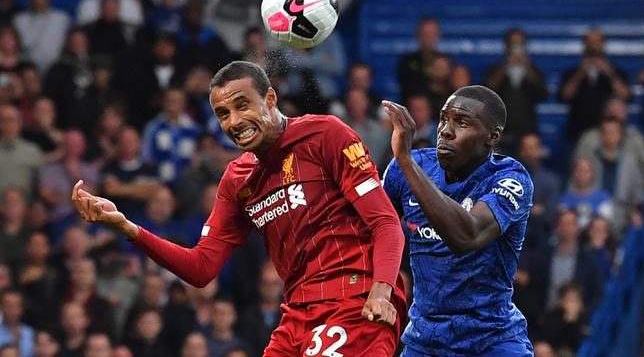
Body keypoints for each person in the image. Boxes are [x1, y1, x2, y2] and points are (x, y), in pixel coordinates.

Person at [72, 60, 407, 356]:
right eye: (222, 114)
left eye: (242, 105)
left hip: (356, 301)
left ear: (270, 98)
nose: (234, 121)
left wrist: (381, 291)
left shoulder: (325, 135)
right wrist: (128, 228)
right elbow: (200, 268)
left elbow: (385, 222)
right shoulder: (238, 179)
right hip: (297, 316)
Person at [382, 85, 534, 356]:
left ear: (492, 136)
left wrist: (405, 160)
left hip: (492, 340)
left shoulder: (510, 179)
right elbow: (374, 230)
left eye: (461, 122)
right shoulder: (411, 167)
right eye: (444, 119)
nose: (445, 130)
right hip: (424, 342)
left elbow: (467, 236)